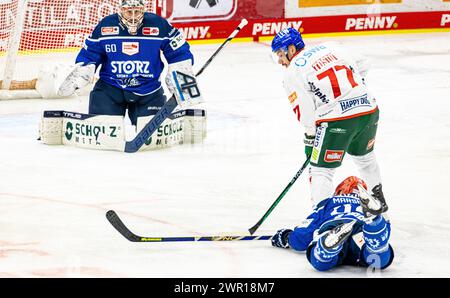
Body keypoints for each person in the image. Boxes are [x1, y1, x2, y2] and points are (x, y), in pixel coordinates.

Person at [271, 28, 388, 210]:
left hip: (337, 120)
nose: (279, 60)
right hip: (368, 110)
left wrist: (311, 139)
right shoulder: (331, 46)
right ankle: (379, 205)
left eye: (280, 54)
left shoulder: (292, 72)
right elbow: (364, 63)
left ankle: (323, 220)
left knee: (320, 171)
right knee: (366, 159)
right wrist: (355, 90)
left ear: (291, 49)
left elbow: (307, 113)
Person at [58, 0, 197, 126]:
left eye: (137, 11)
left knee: (153, 135)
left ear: (143, 10)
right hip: (110, 89)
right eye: (128, 11)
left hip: (148, 91)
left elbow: (179, 51)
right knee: (102, 129)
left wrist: (181, 74)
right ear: (121, 9)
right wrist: (83, 71)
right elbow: (90, 54)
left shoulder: (159, 25)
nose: (133, 16)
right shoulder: (105, 26)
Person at [271, 176, 394, 271]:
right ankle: (375, 230)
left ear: (340, 190)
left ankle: (325, 250)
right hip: (361, 230)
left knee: (320, 262)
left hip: (334, 225)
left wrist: (286, 237)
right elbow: (387, 230)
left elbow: (303, 236)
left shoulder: (329, 202)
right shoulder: (363, 204)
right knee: (378, 259)